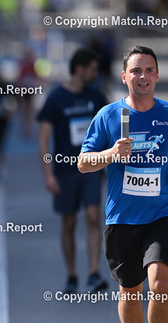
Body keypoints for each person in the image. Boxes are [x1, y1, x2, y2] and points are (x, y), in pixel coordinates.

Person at [78, 45, 168, 323]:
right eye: (136, 71)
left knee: (160, 282)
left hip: (162, 212)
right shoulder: (108, 115)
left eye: (149, 70)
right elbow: (83, 163)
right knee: (130, 290)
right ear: (124, 76)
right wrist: (110, 153)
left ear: (157, 75)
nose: (143, 76)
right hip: (122, 217)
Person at [37, 48, 109, 294]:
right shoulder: (56, 98)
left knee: (93, 217)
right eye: (92, 70)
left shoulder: (96, 96)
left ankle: (93, 273)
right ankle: (71, 274)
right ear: (80, 69)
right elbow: (44, 139)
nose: (95, 74)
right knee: (68, 222)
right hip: (65, 170)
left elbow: (109, 129)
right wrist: (48, 174)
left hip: (92, 168)